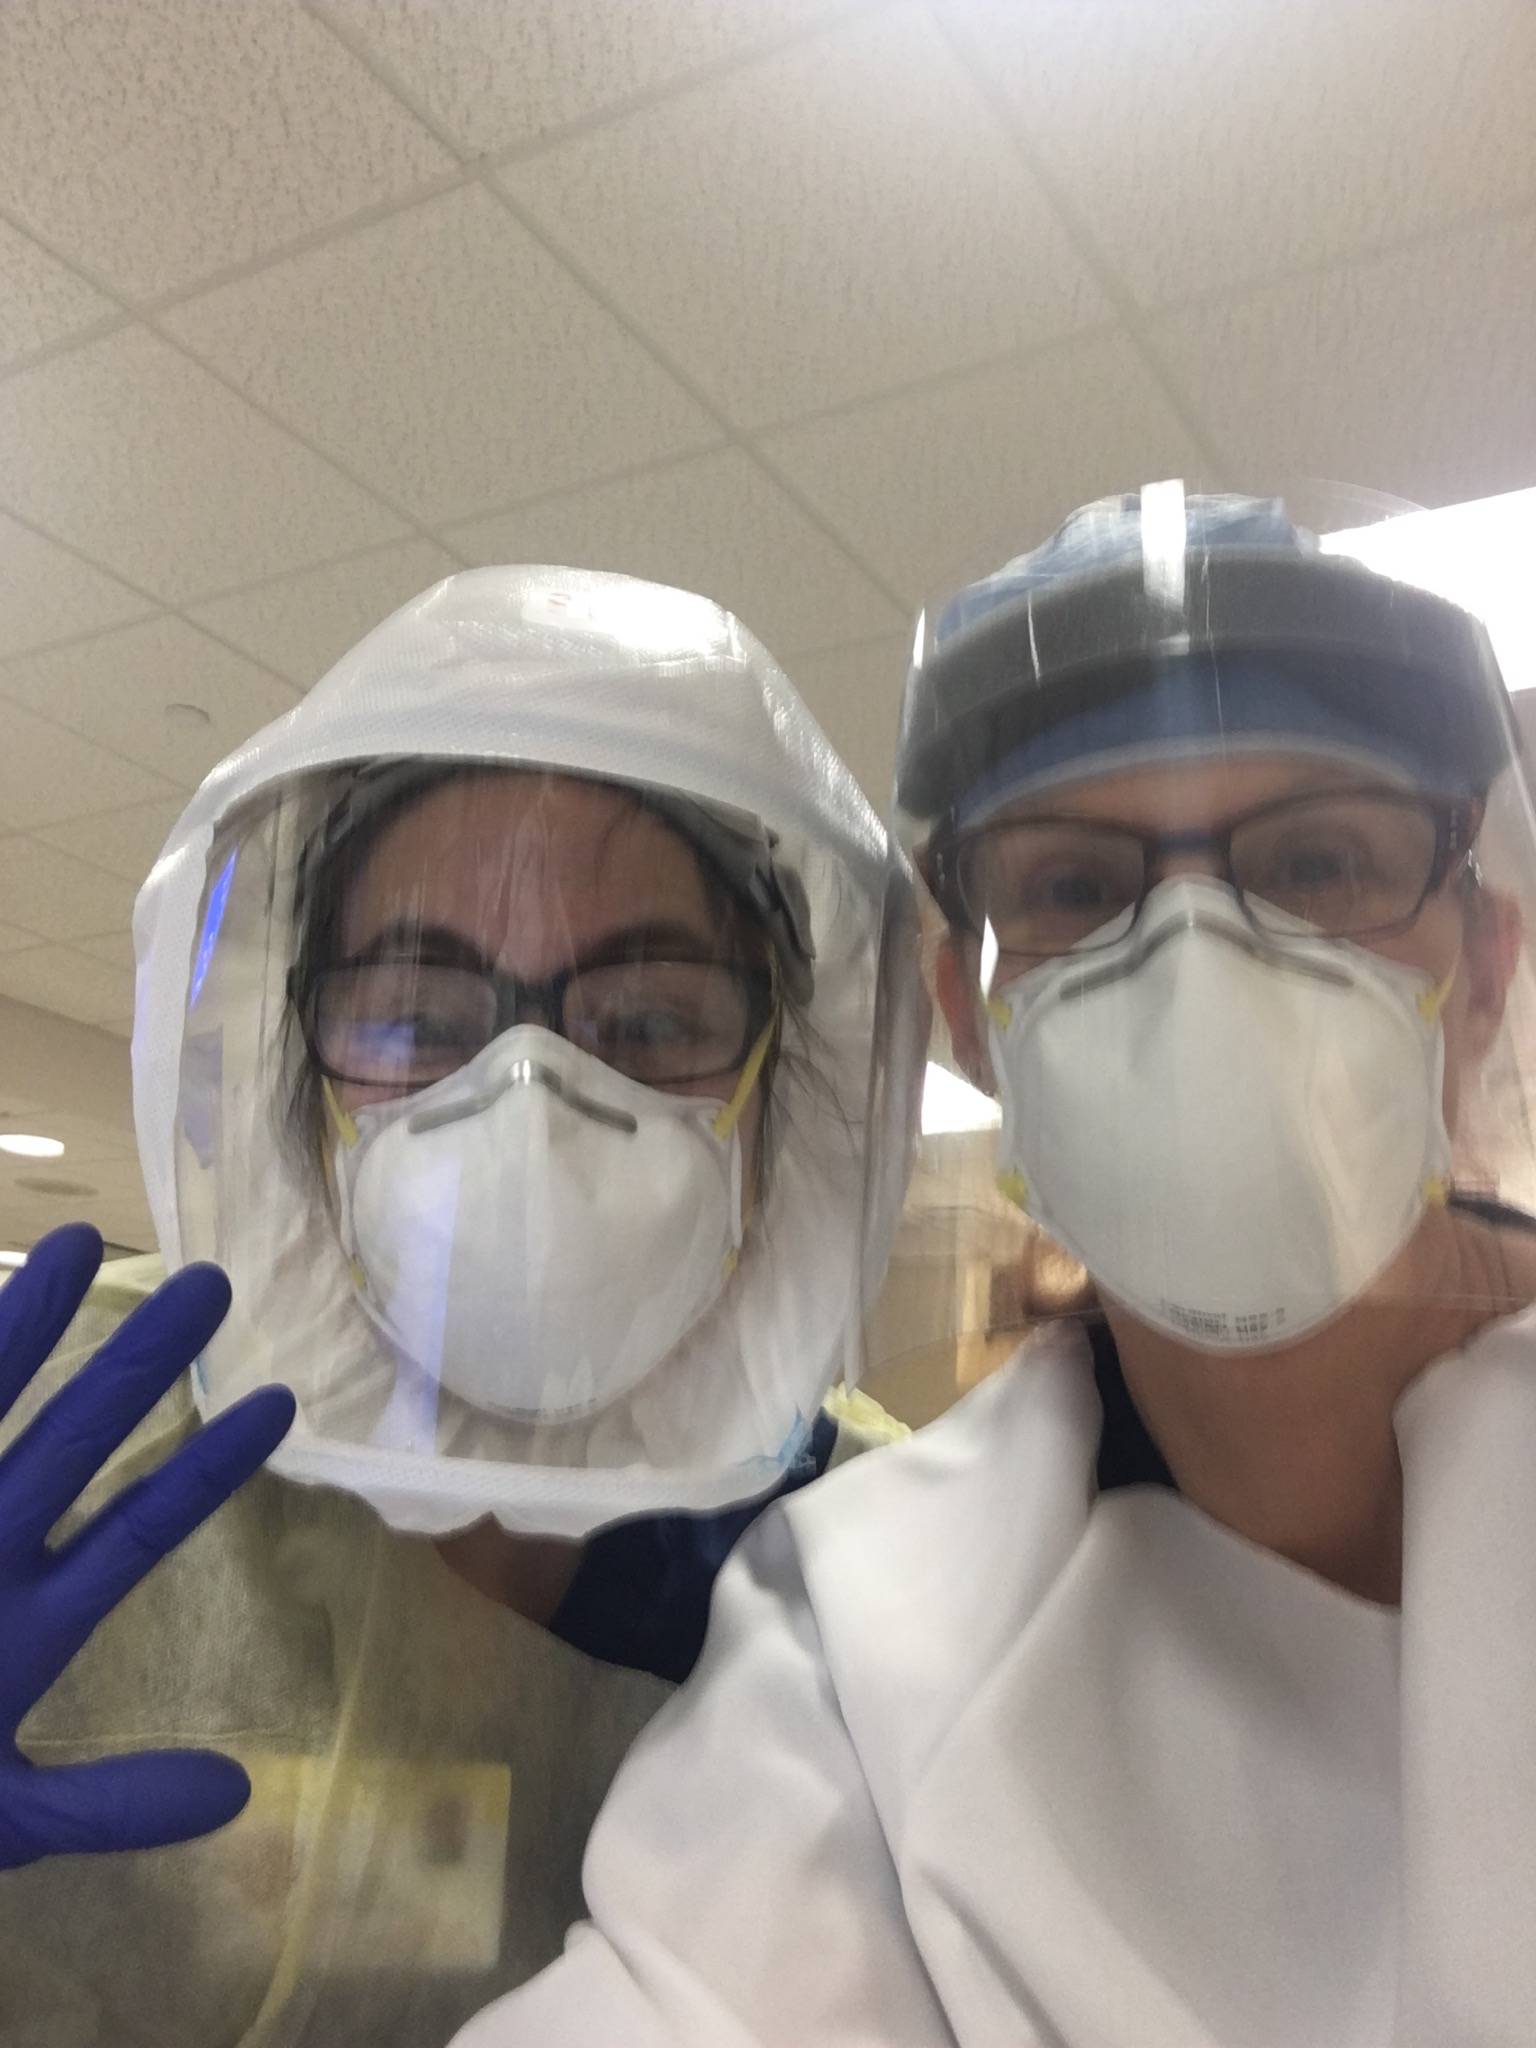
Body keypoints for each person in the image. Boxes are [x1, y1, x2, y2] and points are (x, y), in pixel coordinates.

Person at [456, 490, 1536, 2047]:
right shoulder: (868, 1625)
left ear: (1483, 970)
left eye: (1316, 862)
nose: (1198, 968)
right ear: (974, 1023)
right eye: (1075, 891)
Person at [0, 566, 921, 2046]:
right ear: (301, 1085)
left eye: (649, 1024)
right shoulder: (59, 1434)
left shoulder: (883, 1561)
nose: (529, 1100)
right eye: (418, 1021)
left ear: (785, 1092)